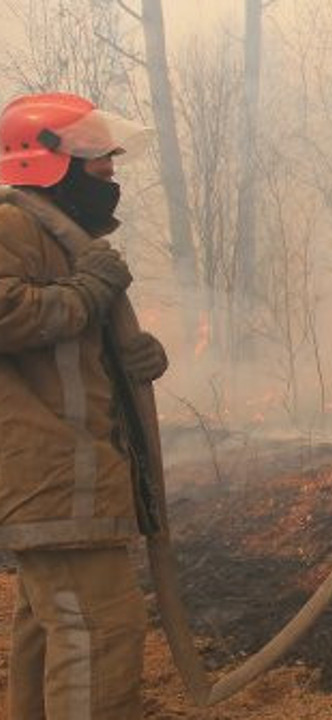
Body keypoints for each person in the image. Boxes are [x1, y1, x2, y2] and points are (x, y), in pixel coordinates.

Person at [0, 92, 168, 718]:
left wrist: (130, 361)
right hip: (48, 473)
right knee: (99, 630)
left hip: (69, 474)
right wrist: (88, 291)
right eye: (98, 162)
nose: (110, 176)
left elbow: (64, 359)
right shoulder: (13, 224)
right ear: (46, 160)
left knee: (52, 632)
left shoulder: (61, 238)